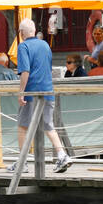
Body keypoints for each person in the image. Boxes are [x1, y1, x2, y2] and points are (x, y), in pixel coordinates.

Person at [16, 18, 71, 173]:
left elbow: (25, 71)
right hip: (47, 90)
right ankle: (62, 155)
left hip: (32, 91)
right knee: (48, 125)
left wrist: (21, 92)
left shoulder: (23, 47)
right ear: (34, 31)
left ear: (21, 33)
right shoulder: (45, 45)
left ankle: (22, 163)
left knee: (22, 126)